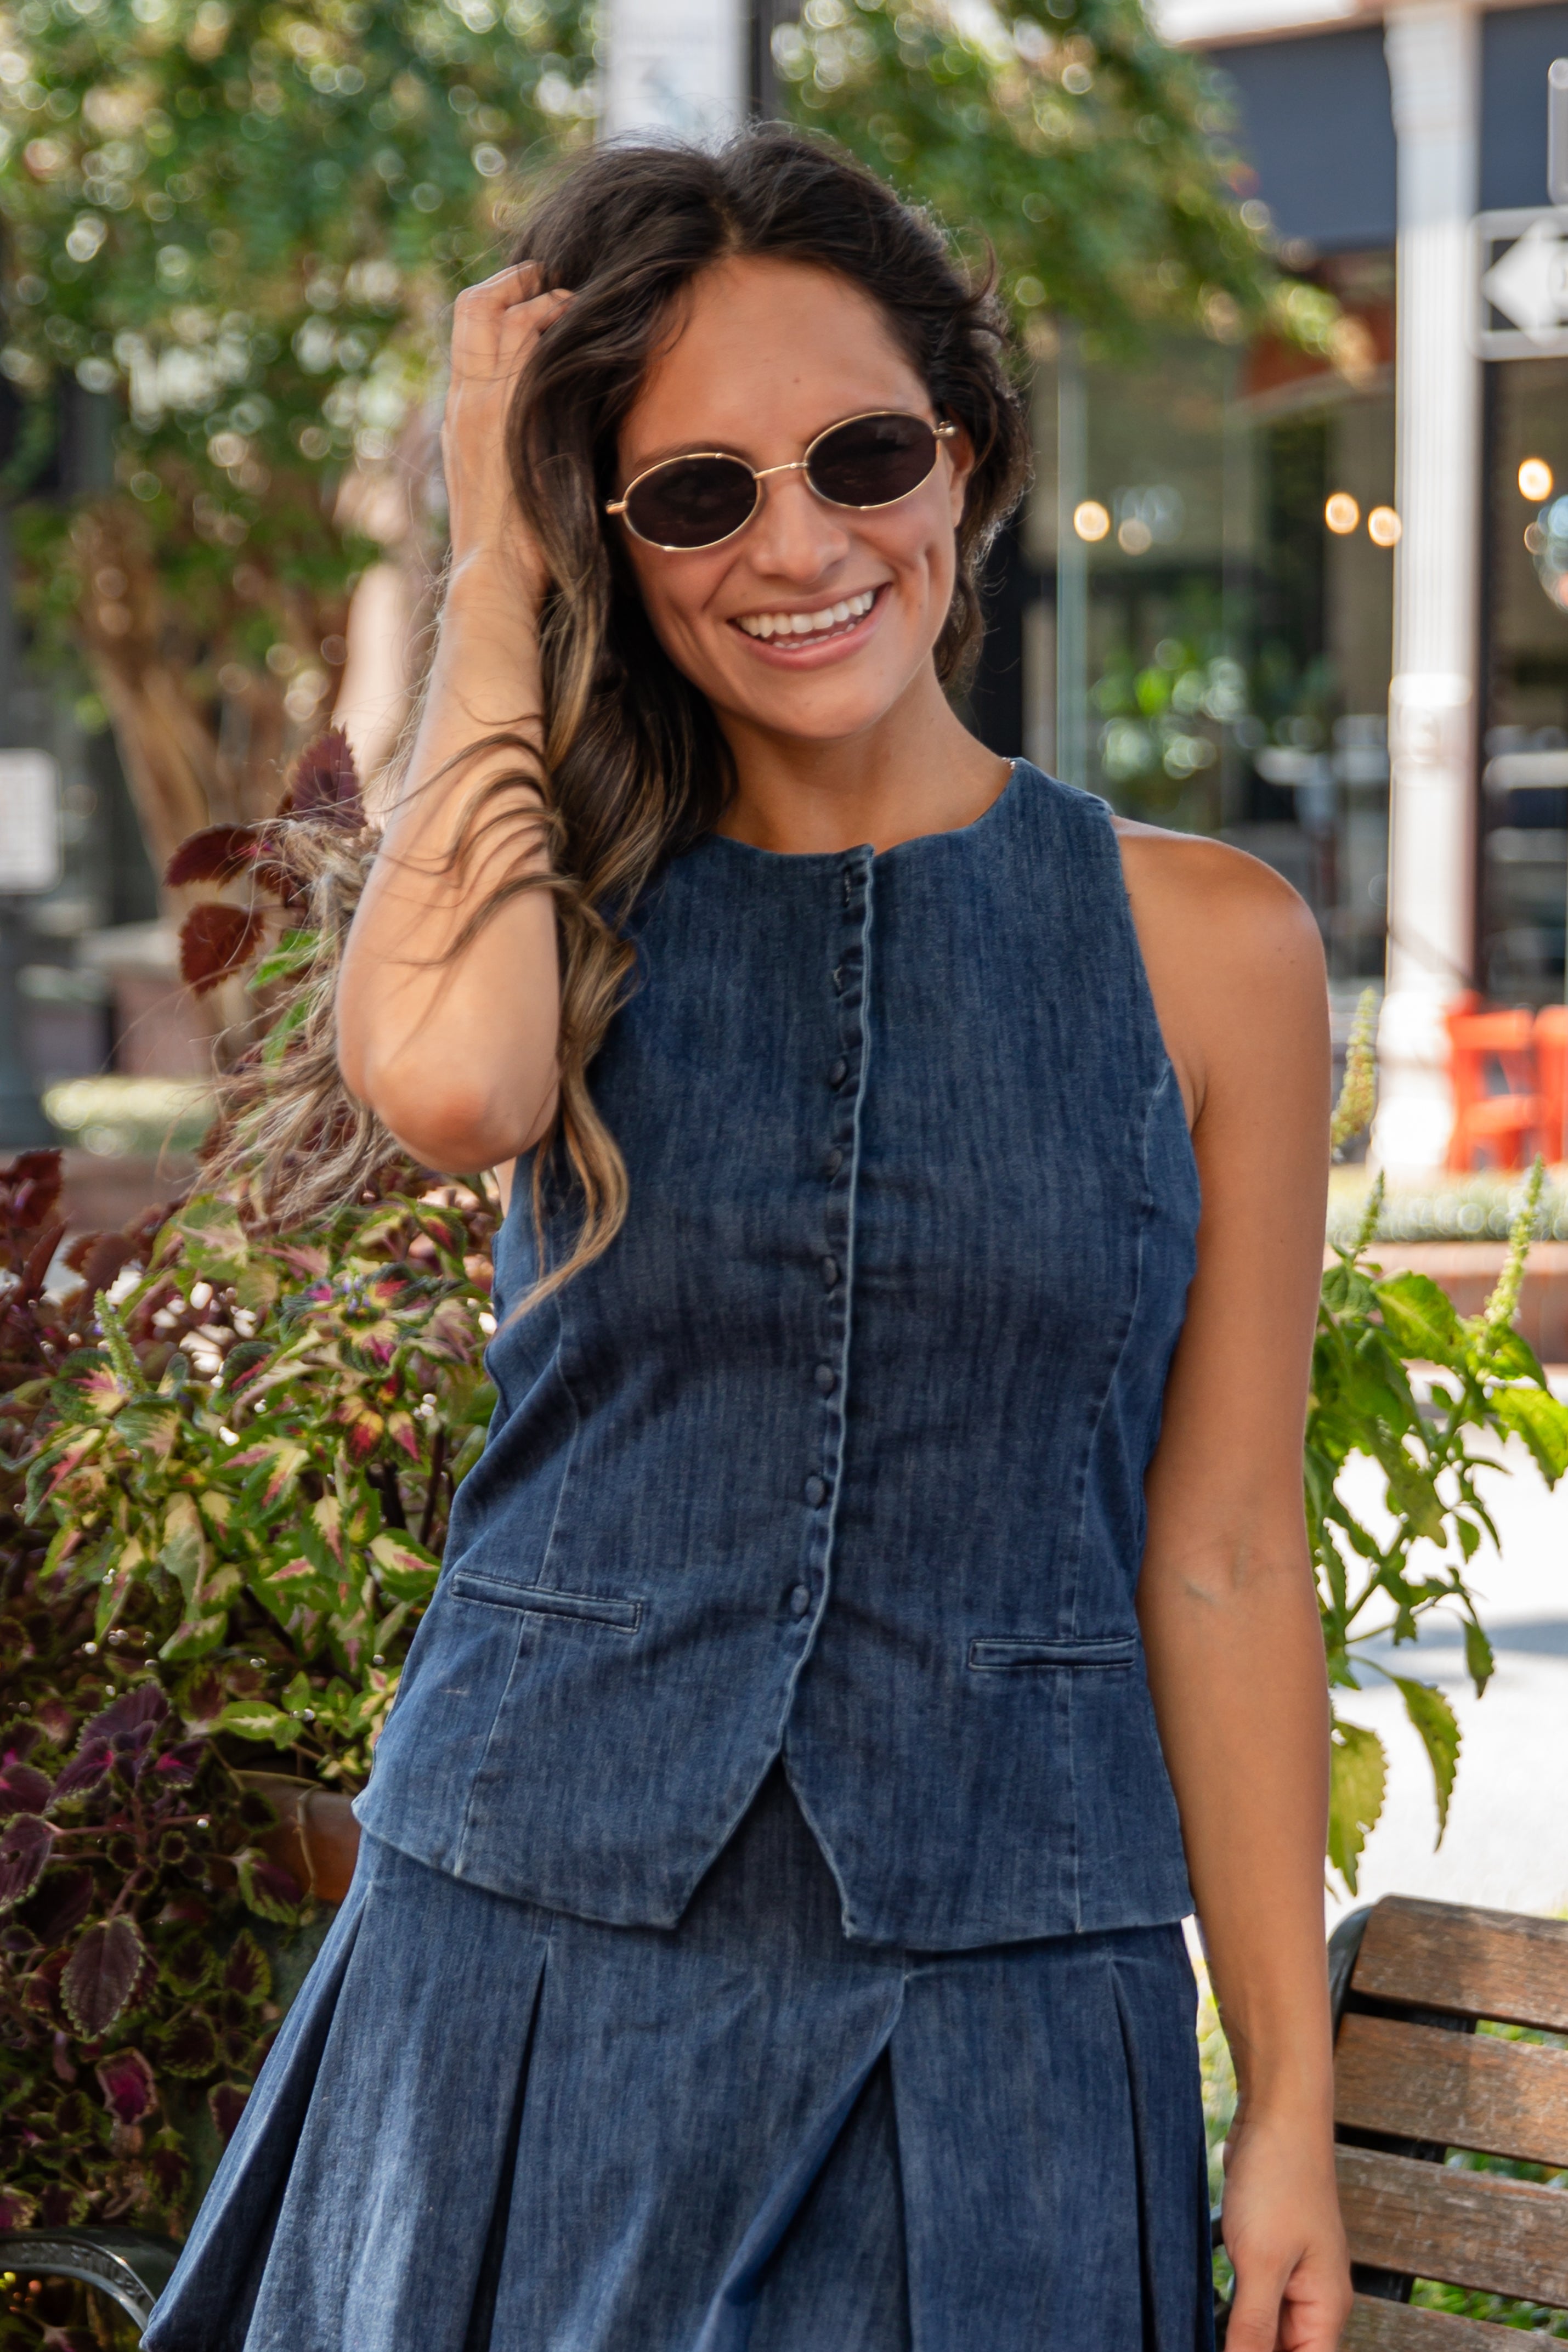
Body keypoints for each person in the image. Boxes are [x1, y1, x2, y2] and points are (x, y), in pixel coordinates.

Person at [144, 127, 1350, 2352]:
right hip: (524, 1975)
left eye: (858, 455)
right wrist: (492, 565)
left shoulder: (1213, 948)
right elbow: (451, 1088)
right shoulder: (559, 913)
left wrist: (1284, 2101)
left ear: (964, 471)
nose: (794, 542)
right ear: (614, 531)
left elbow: (1225, 1550)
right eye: (695, 491)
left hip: (1003, 2008)